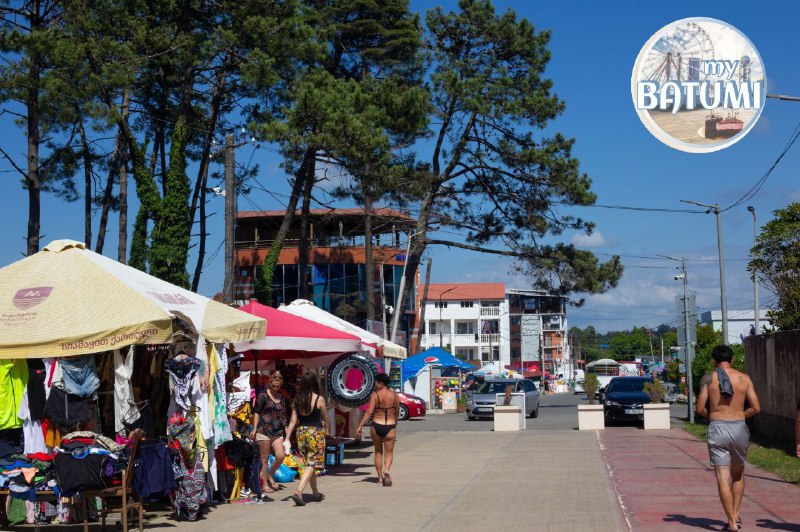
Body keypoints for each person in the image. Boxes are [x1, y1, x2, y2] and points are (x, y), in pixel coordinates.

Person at [696, 345, 761, 531]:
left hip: (717, 427)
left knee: (722, 477)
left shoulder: (709, 378)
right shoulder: (744, 378)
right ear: (732, 359)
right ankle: (737, 515)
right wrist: (740, 415)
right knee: (738, 473)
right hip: (739, 427)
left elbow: (700, 409)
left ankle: (731, 521)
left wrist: (715, 415)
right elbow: (756, 407)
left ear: (713, 360)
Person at [285, 370, 327, 506]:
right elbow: (325, 419)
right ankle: (299, 491)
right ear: (314, 383)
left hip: (301, 433)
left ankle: (315, 493)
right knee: (312, 464)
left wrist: (287, 438)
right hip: (315, 433)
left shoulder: (297, 400)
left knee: (309, 464)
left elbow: (292, 421)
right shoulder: (319, 399)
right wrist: (328, 432)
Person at [355, 373, 398, 487]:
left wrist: (360, 425)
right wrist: (395, 422)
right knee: (389, 452)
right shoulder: (394, 395)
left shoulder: (375, 395)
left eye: (376, 382)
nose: (374, 384)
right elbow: (396, 411)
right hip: (390, 425)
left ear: (381, 383)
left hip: (377, 425)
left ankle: (379, 478)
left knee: (378, 452)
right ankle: (387, 471)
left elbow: (369, 412)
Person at [251, 371, 288, 499]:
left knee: (281, 455)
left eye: (278, 387)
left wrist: (287, 435)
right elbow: (256, 412)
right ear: (270, 383)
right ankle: (264, 484)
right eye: (274, 386)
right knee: (265, 459)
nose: (276, 388)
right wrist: (255, 428)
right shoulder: (262, 396)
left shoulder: (281, 398)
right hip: (263, 429)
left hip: (277, 431)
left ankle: (269, 474)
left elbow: (284, 417)